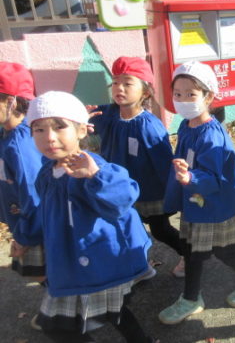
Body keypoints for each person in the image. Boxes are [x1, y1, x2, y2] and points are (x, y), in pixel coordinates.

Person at [25, 91, 155, 343]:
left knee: (63, 328)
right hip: (68, 264)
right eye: (39, 129)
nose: (49, 137)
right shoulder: (47, 172)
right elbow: (44, 212)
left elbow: (124, 197)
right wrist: (25, 238)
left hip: (98, 261)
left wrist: (96, 176)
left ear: (82, 130)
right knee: (110, 314)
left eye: (59, 127)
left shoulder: (94, 167)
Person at [159, 61, 235, 325]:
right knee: (193, 252)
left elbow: (214, 177)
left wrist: (190, 178)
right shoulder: (186, 125)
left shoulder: (211, 135)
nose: (183, 100)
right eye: (178, 94)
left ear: (208, 97)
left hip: (216, 206)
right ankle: (191, 298)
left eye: (191, 94)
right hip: (197, 202)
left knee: (225, 251)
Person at [89, 56, 183, 278]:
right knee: (127, 230)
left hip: (148, 192)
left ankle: (189, 254)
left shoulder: (148, 126)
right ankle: (140, 268)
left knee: (160, 230)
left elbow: (164, 164)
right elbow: (89, 121)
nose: (119, 88)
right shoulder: (109, 113)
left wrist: (174, 194)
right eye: (115, 82)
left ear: (146, 92)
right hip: (119, 189)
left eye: (128, 83)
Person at [0, 62, 44, 278]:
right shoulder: (6, 133)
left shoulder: (21, 143)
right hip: (22, 223)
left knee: (45, 276)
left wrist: (25, 236)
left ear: (11, 101)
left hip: (35, 227)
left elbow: (33, 193)